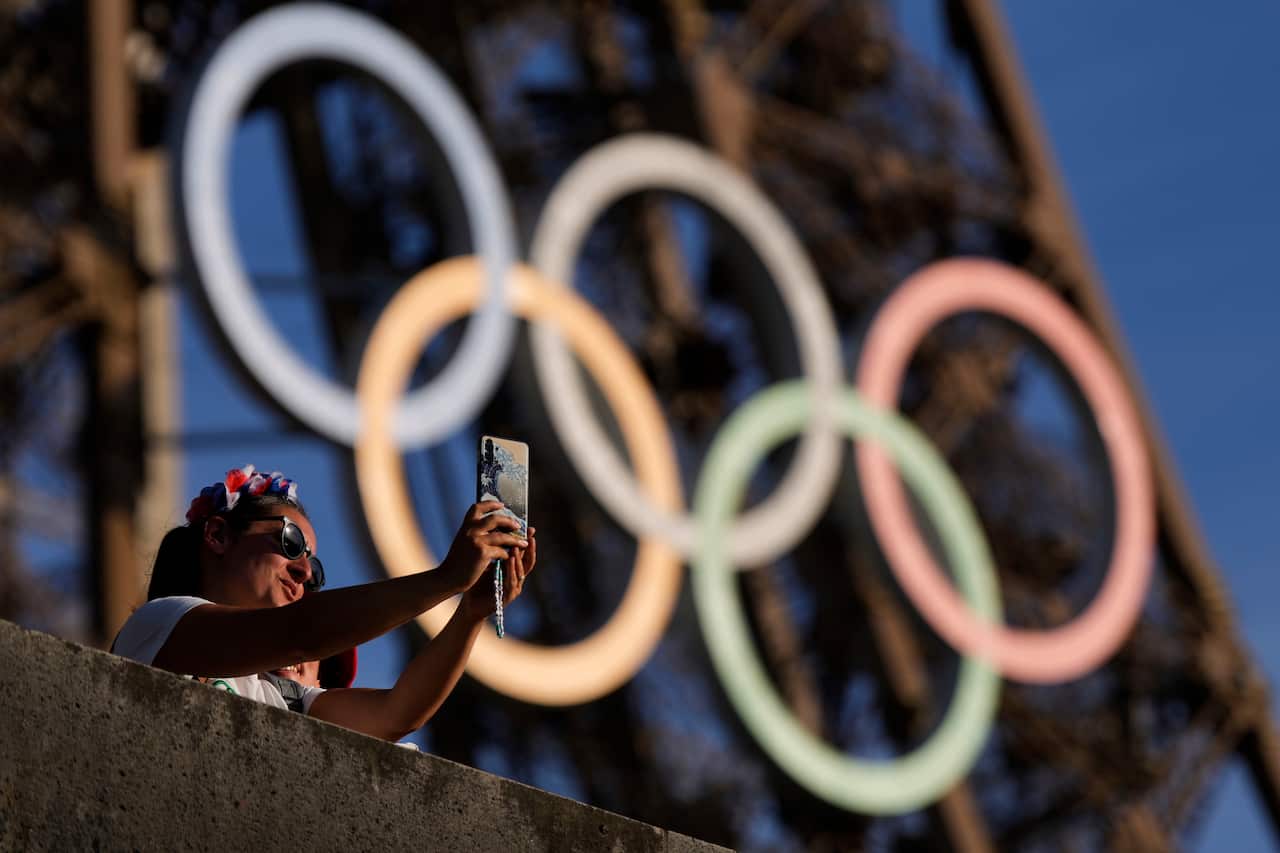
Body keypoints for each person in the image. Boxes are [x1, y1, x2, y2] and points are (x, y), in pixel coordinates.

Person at [112, 464, 536, 742]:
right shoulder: (158, 624)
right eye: (290, 543)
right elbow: (301, 633)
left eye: (315, 570)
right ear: (218, 536)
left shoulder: (284, 696)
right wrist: (445, 579)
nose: (303, 573)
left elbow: (395, 713)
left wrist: (470, 612)